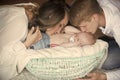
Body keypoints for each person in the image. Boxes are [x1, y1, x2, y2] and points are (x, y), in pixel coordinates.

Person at [0, 0, 69, 80]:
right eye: (60, 25)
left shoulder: (33, 11)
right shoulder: (20, 23)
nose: (59, 32)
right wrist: (26, 44)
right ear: (51, 17)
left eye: (63, 27)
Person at [70, 0, 120, 80]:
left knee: (106, 61)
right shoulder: (98, 5)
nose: (82, 30)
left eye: (84, 26)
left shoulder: (117, 27)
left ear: (94, 17)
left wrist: (103, 76)